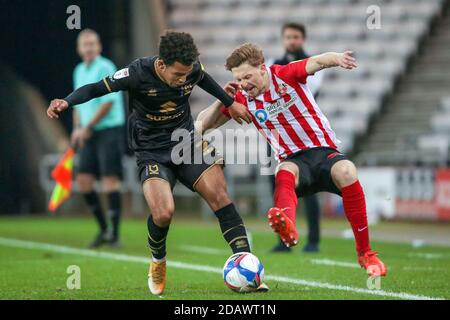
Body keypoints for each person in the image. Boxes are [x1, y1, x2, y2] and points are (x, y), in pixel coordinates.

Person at [46, 31, 268, 295]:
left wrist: (229, 103)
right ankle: (158, 260)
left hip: (186, 142)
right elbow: (96, 88)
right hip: (151, 150)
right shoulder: (136, 73)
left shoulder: (191, 69)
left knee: (220, 195)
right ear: (162, 65)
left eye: (186, 74)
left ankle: (249, 267)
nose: (183, 80)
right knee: (163, 213)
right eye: (178, 75)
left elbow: (204, 79)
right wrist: (66, 102)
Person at [196, 43, 387, 277]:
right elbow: (202, 125)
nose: (244, 84)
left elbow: (317, 62)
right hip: (294, 161)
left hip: (323, 153)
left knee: (347, 170)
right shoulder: (241, 100)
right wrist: (222, 99)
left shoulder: (284, 75)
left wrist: (338, 58)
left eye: (248, 76)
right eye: (239, 79)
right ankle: (288, 227)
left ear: (262, 68)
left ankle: (366, 253)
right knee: (283, 170)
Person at [270, 22, 323, 253]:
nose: (292, 40)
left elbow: (305, 91)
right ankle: (284, 240)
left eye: (296, 36)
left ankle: (313, 240)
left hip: (305, 136)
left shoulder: (311, 64)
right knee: (281, 187)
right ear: (283, 39)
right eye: (288, 36)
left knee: (309, 190)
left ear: (303, 39)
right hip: (280, 135)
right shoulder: (273, 64)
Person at [71, 29, 125, 248]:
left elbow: (108, 102)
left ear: (99, 46)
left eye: (92, 43)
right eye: (85, 44)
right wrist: (77, 129)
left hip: (108, 130)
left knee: (110, 180)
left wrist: (88, 126)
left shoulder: (106, 66)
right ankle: (104, 230)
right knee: (84, 182)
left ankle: (115, 234)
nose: (89, 48)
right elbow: (77, 102)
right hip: (88, 132)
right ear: (79, 48)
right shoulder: (78, 70)